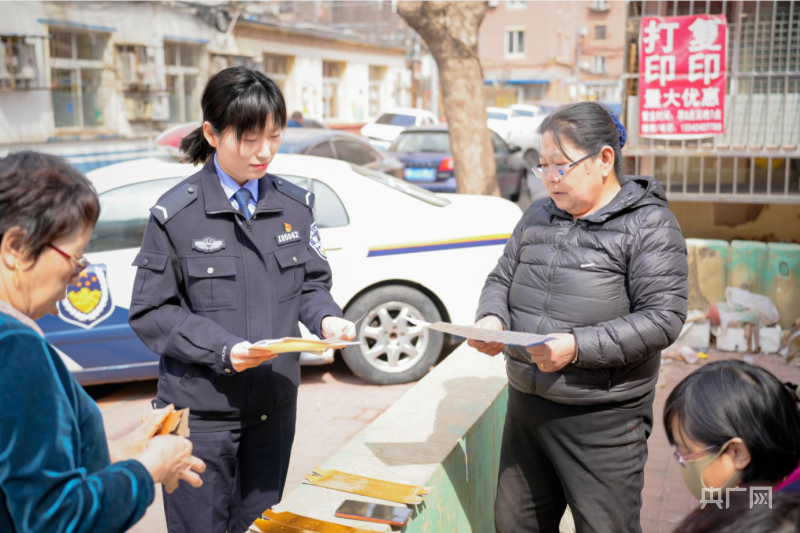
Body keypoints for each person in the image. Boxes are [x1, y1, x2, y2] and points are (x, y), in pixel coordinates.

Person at [128, 67, 354, 533]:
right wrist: (224, 349)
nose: (264, 152)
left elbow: (311, 284)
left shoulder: (294, 206)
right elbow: (152, 312)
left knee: (262, 526)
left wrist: (327, 320)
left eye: (274, 136)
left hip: (273, 407)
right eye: (248, 139)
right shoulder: (177, 215)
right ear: (212, 133)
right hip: (201, 416)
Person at [469, 101, 689, 533]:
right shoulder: (537, 214)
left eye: (561, 165)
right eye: (543, 166)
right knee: (515, 525)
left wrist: (576, 347)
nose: (550, 177)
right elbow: (501, 276)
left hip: (602, 418)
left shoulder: (649, 224)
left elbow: (663, 317)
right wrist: (491, 318)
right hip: (526, 406)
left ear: (605, 159)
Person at [0, 151, 205, 533]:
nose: (78, 274)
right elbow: (56, 519)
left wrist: (126, 451)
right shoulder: (14, 346)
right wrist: (148, 469)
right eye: (75, 257)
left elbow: (27, 464)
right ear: (15, 248)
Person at [664, 360, 800, 504]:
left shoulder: (780, 521)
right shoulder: (764, 499)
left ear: (737, 453)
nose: (681, 461)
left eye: (686, 453)